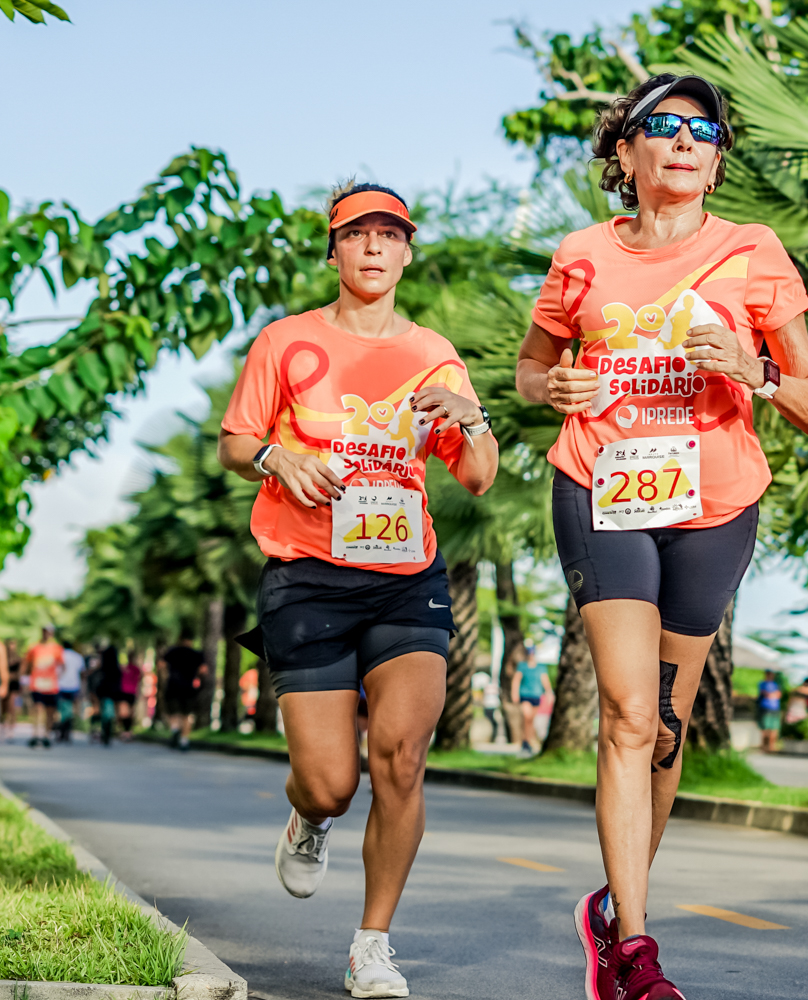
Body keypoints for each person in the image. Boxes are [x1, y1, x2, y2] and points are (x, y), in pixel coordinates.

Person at [516, 72, 808, 1000]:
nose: (688, 140)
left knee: (664, 729)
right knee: (627, 714)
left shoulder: (753, 251)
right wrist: (553, 387)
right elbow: (532, 368)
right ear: (627, 151)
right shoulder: (582, 254)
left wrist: (753, 368)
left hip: (714, 505)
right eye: (665, 125)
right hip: (601, 488)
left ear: (718, 161)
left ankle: (614, 910)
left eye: (705, 130)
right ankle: (636, 949)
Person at [218, 181, 497, 999]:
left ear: (407, 252)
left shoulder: (435, 353)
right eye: (356, 234)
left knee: (402, 759)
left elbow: (479, 477)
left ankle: (372, 945)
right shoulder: (286, 342)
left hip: (407, 580)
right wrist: (277, 457)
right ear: (334, 251)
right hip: (307, 577)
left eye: (389, 234)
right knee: (332, 782)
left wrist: (470, 416)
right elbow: (236, 442)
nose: (373, 246)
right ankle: (309, 815)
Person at [159, 639, 208, 751]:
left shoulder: (172, 651)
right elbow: (203, 670)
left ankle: (175, 730)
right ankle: (184, 741)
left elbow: (161, 665)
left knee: (173, 713)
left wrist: (167, 675)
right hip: (189, 687)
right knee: (187, 715)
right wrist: (197, 677)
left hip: (173, 686)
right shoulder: (196, 654)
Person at [23, 626, 64, 749]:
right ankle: (35, 734)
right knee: (37, 708)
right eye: (45, 631)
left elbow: (62, 665)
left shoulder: (57, 648)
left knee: (50, 711)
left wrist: (58, 677)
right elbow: (26, 663)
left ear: (52, 633)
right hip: (37, 684)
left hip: (51, 685)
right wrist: (25, 679)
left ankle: (46, 735)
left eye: (49, 632)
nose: (46, 634)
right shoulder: (34, 647)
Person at [510, 645, 552, 755]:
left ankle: (527, 741)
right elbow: (516, 680)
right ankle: (526, 741)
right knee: (527, 716)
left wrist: (549, 692)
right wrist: (514, 693)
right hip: (525, 695)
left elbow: (545, 680)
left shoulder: (541, 667)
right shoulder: (522, 666)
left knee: (531, 721)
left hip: (536, 696)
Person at [55, 638, 84, 743]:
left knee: (61, 710)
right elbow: (82, 672)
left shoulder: (59, 655)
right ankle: (67, 732)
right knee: (70, 709)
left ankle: (61, 732)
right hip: (74, 686)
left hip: (60, 686)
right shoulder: (78, 657)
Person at [756, 669, 782, 753]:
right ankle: (764, 746)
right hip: (765, 708)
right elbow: (766, 694)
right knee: (765, 728)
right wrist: (773, 695)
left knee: (774, 728)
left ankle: (771, 746)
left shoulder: (776, 684)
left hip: (775, 709)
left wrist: (772, 695)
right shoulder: (762, 684)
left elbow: (778, 695)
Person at [117, 652, 141, 739]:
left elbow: (138, 681)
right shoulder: (124, 668)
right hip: (124, 692)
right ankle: (125, 731)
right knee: (124, 713)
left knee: (129, 713)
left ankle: (128, 731)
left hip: (131, 693)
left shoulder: (135, 669)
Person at [477, 671, 502, 745]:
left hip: (494, 705)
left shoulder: (496, 686)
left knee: (494, 722)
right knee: (488, 721)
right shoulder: (486, 686)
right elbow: (483, 695)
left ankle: (494, 736)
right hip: (487, 705)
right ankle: (490, 737)